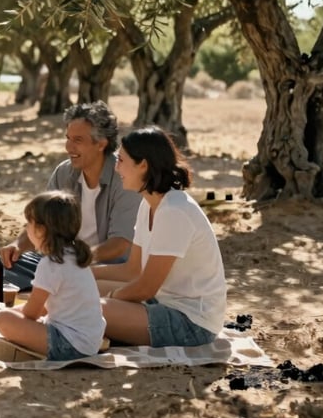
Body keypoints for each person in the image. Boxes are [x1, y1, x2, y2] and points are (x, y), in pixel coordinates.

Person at [0, 100, 140, 290]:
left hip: (104, 268)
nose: (69, 147)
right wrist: (18, 245)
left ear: (101, 144)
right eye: (67, 138)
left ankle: (49, 287)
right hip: (62, 263)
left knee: (81, 280)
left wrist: (76, 261)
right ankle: (53, 286)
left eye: (77, 140)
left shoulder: (123, 178)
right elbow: (41, 220)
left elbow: (119, 244)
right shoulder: (64, 172)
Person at [95, 126, 227, 347]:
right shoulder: (147, 204)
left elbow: (146, 287)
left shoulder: (174, 211)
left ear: (143, 164)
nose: (116, 168)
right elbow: (132, 270)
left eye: (121, 160)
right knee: (78, 288)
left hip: (192, 323)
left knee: (82, 306)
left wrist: (111, 298)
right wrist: (82, 273)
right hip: (161, 302)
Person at [0, 191, 106, 363]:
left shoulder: (51, 264)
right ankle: (29, 346)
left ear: (41, 230)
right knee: (10, 314)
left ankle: (29, 350)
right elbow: (46, 307)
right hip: (91, 341)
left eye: (28, 223)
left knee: (3, 319)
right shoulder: (75, 256)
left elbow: (33, 313)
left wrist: (9, 313)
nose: (26, 229)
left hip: (70, 345)